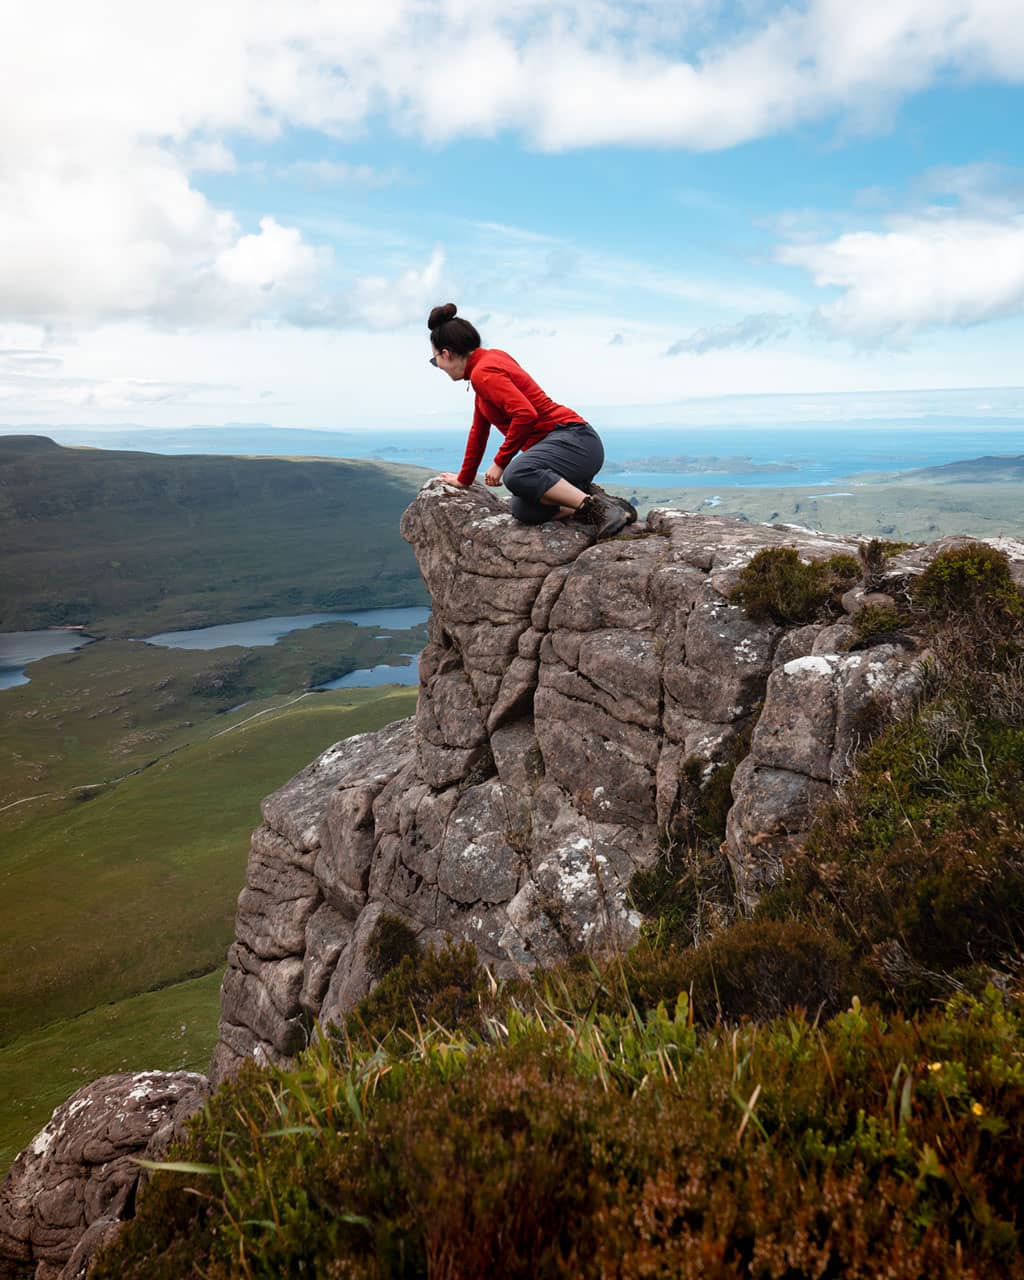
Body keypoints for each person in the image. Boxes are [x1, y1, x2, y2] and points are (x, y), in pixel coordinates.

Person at [428, 303, 636, 539]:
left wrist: (500, 462)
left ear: (446, 354)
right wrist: (464, 479)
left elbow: (526, 414)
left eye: (435, 360)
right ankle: (594, 500)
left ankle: (600, 510)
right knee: (524, 510)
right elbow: (479, 430)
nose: (439, 367)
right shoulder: (488, 364)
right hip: (565, 454)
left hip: (574, 440)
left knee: (516, 474)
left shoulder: (483, 373)